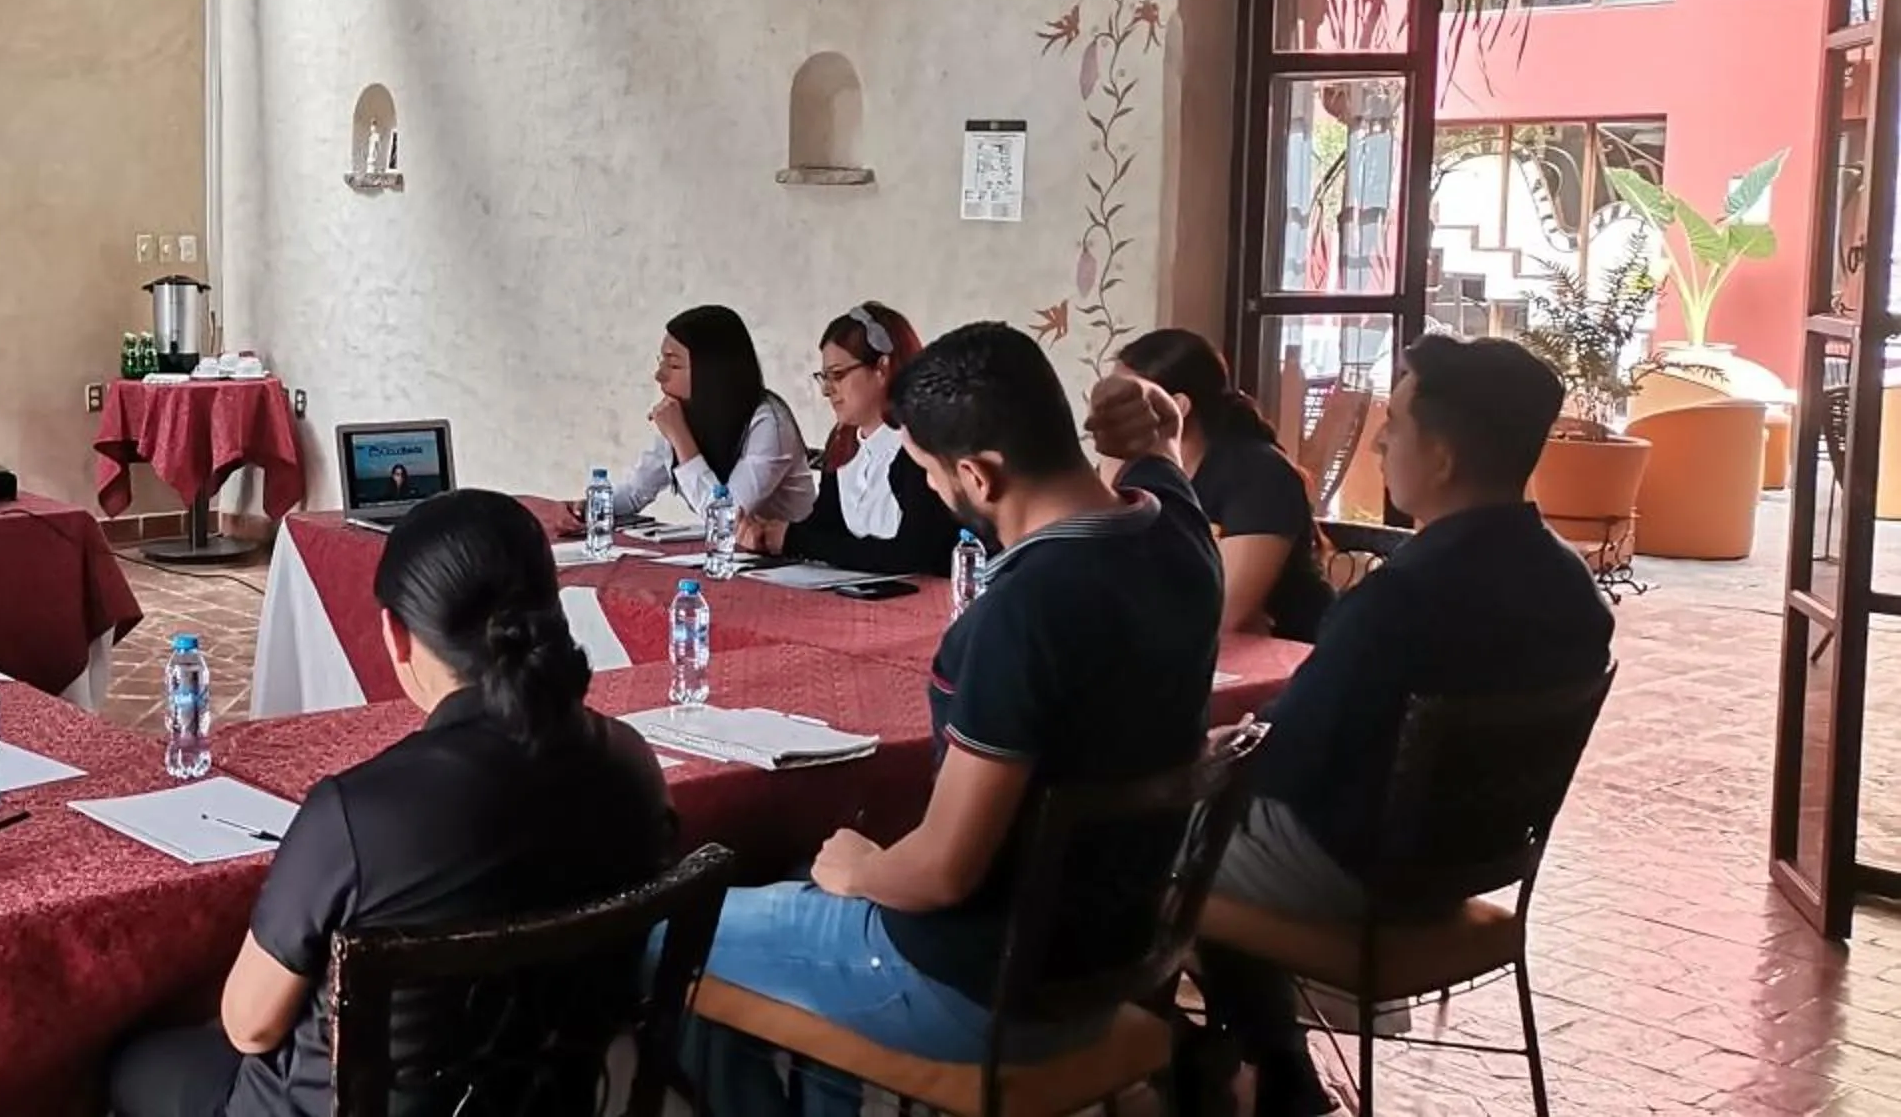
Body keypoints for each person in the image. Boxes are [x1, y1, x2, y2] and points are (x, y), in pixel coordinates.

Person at [677, 323, 1223, 1116]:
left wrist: (862, 871)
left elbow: (941, 873)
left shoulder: (1024, 614)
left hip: (975, 987)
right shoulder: (1179, 536)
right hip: (1110, 967)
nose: (932, 489)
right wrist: (1149, 417)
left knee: (673, 928)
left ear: (977, 474)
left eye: (930, 472)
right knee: (782, 901)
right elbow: (1160, 454)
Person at [108, 489, 675, 1116]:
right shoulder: (631, 762)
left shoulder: (358, 814)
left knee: (133, 1063)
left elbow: (250, 1025)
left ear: (396, 635)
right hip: (553, 1099)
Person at [1194, 334, 1614, 1117]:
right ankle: (1273, 1072)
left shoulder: (1401, 601)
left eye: (1396, 422)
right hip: (1465, 865)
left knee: (1129, 838)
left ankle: (1185, 1068)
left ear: (1444, 456)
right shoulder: (1572, 589)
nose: (1382, 440)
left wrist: (1217, 752)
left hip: (1357, 872)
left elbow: (1286, 762)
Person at [1115, 329, 1335, 640]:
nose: (1109, 412)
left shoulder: (1260, 474)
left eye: (1125, 399)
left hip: (1288, 652)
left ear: (1177, 406)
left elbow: (1227, 615)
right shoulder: (1138, 471)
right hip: (1187, 648)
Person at [754, 303, 960, 576]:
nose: (827, 390)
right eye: (824, 377)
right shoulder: (843, 440)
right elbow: (826, 527)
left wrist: (795, 540)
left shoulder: (920, 446)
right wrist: (768, 533)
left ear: (882, 368)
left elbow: (912, 555)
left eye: (838, 375)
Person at [607, 305, 818, 525]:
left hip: (792, 546)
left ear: (712, 371)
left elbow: (726, 518)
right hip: (729, 546)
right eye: (661, 362)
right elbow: (635, 492)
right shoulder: (686, 412)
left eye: (674, 365)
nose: (659, 375)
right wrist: (588, 507)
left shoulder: (769, 423)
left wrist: (680, 436)